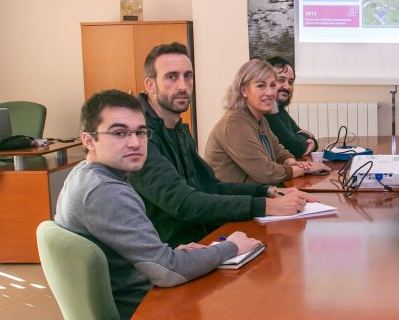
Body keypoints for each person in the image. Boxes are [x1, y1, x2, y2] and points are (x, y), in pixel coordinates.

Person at [55, 90, 262, 320]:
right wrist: (231, 247)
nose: (135, 143)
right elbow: (168, 271)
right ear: (89, 140)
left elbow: (155, 259)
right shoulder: (106, 192)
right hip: (145, 308)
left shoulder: (83, 174)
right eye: (119, 133)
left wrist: (168, 255)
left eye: (141, 132)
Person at [128, 42, 316, 248]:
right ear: (150, 85)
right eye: (171, 76)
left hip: (202, 236)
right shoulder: (140, 137)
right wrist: (265, 205)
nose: (182, 86)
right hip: (173, 251)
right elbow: (185, 204)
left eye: (188, 76)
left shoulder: (176, 128)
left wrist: (268, 192)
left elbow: (210, 186)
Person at [205, 59, 330, 185]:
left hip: (254, 194)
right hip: (235, 200)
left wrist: (292, 162)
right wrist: (303, 169)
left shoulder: (259, 118)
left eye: (273, 85)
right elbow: (266, 173)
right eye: (261, 86)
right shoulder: (235, 124)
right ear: (243, 90)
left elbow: (279, 151)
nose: (270, 93)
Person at [265, 56, 318, 159]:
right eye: (281, 80)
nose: (287, 87)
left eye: (290, 82)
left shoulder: (279, 109)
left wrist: (314, 143)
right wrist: (306, 135)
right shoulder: (267, 113)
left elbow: (299, 135)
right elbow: (295, 148)